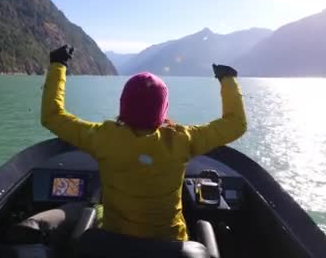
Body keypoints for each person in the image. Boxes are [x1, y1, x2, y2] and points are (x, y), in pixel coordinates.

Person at [40, 45, 247, 242]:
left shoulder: (103, 138)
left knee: (95, 208)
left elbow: (52, 116)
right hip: (170, 247)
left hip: (116, 245)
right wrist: (227, 79)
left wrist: (59, 65)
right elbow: (236, 124)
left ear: (124, 103)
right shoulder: (182, 139)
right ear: (163, 109)